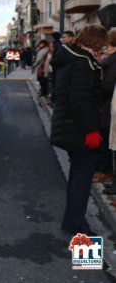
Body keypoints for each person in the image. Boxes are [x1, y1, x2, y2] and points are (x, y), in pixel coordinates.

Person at [50, 24, 108, 236]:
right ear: (94, 42)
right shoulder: (83, 62)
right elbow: (81, 99)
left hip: (70, 126)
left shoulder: (72, 58)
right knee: (82, 178)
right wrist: (91, 130)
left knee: (77, 174)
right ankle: (76, 224)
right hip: (79, 129)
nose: (102, 50)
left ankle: (72, 220)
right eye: (101, 46)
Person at [94, 28, 116, 185]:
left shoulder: (113, 61)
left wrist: (94, 89)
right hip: (106, 107)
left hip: (108, 107)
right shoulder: (110, 59)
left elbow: (108, 85)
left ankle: (106, 170)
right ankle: (104, 169)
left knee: (107, 141)